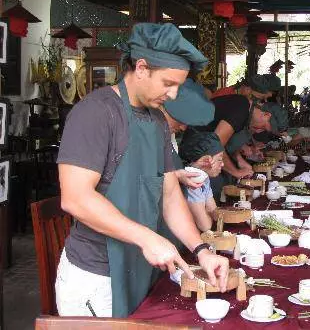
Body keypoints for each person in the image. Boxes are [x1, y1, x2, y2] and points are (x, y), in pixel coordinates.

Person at [56, 23, 229, 318]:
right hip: (97, 278)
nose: (173, 95)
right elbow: (75, 198)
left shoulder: (158, 122)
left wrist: (201, 249)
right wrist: (147, 238)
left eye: (178, 86)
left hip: (139, 269)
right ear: (141, 67)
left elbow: (171, 194)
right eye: (168, 83)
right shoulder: (96, 112)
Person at [192, 95, 288, 202]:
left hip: (205, 150)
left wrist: (240, 161)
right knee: (214, 187)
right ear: (266, 114)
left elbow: (225, 141)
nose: (260, 130)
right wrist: (236, 172)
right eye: (264, 126)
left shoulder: (244, 112)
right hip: (194, 151)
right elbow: (215, 145)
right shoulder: (241, 108)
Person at [178, 130, 224, 232]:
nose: (223, 164)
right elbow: (205, 226)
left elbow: (214, 211)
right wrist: (209, 212)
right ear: (207, 160)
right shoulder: (192, 179)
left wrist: (209, 212)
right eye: (219, 159)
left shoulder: (204, 177)